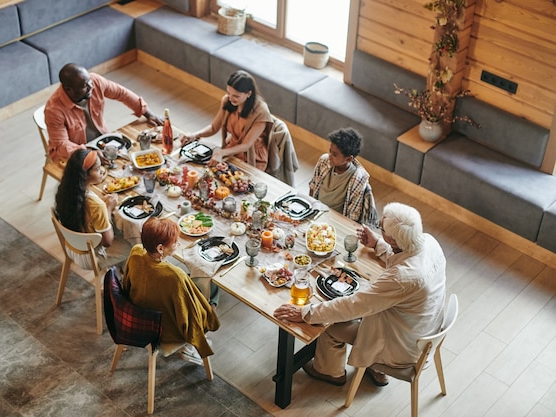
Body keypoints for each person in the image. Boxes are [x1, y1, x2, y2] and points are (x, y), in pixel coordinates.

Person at [273, 202, 446, 387]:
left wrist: (305, 313)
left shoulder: (401, 278)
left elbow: (354, 305)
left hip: (401, 347)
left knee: (327, 325)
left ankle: (330, 371)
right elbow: (403, 259)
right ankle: (375, 371)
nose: (379, 226)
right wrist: (378, 243)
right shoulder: (428, 242)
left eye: (381, 228)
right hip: (423, 330)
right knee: (360, 300)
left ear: (395, 241)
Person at [123, 217, 220, 364]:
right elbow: (189, 313)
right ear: (160, 248)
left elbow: (127, 283)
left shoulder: (136, 251)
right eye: (175, 242)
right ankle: (188, 347)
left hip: (138, 313)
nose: (178, 243)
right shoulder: (174, 275)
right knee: (211, 288)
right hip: (163, 330)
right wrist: (207, 314)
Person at [45, 63, 163, 162]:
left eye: (89, 81)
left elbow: (122, 93)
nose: (91, 87)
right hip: (72, 154)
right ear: (68, 89)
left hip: (101, 140)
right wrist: (88, 153)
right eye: (84, 86)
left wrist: (148, 114)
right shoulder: (54, 110)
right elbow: (61, 145)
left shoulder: (95, 81)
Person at [180, 70, 273, 171]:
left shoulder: (261, 111)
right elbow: (214, 127)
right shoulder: (227, 100)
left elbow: (246, 145)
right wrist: (195, 135)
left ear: (249, 94)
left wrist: (221, 152)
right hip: (231, 148)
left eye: (236, 96)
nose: (231, 98)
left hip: (252, 156)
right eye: (229, 93)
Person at [54, 149, 131, 269]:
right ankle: (119, 278)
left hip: (72, 248)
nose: (101, 171)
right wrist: (108, 209)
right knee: (133, 243)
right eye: (97, 169)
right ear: (84, 175)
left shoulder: (65, 190)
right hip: (91, 257)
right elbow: (107, 241)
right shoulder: (96, 206)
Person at [309, 128, 378, 225]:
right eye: (330, 151)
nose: (329, 156)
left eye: (335, 154)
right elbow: (312, 187)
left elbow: (352, 216)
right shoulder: (324, 161)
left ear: (349, 159)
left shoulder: (357, 179)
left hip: (335, 221)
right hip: (317, 212)